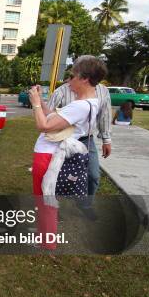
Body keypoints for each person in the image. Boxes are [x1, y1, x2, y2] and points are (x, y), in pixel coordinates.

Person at [30, 55, 106, 248]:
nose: (68, 80)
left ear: (85, 79)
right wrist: (44, 105)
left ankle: (46, 241)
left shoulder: (80, 106)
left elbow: (44, 125)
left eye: (72, 76)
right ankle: (44, 235)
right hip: (53, 153)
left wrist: (36, 102)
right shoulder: (91, 102)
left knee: (45, 198)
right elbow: (56, 118)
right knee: (47, 197)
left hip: (48, 154)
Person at [47, 61, 112, 208]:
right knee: (59, 174)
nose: (70, 79)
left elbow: (104, 115)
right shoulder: (62, 91)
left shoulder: (102, 91)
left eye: (74, 75)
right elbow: (48, 116)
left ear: (86, 76)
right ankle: (54, 207)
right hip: (65, 140)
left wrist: (106, 140)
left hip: (86, 140)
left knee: (93, 175)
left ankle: (85, 205)